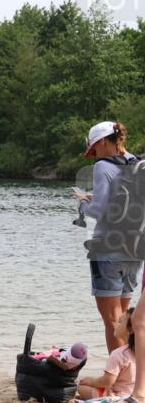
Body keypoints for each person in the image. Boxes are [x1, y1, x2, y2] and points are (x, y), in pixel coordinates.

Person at [72, 121, 142, 355]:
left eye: (95, 148)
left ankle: (119, 379)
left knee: (113, 321)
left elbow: (100, 210)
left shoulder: (103, 166)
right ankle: (132, 376)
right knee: (125, 320)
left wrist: (82, 204)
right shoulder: (137, 162)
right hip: (135, 249)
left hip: (107, 249)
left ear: (103, 141)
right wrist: (93, 197)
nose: (95, 154)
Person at [78, 307, 137, 400]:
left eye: (120, 322)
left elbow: (107, 381)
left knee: (82, 388)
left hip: (120, 397)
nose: (116, 324)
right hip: (139, 395)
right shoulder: (141, 352)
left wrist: (91, 381)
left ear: (130, 329)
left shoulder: (119, 354)